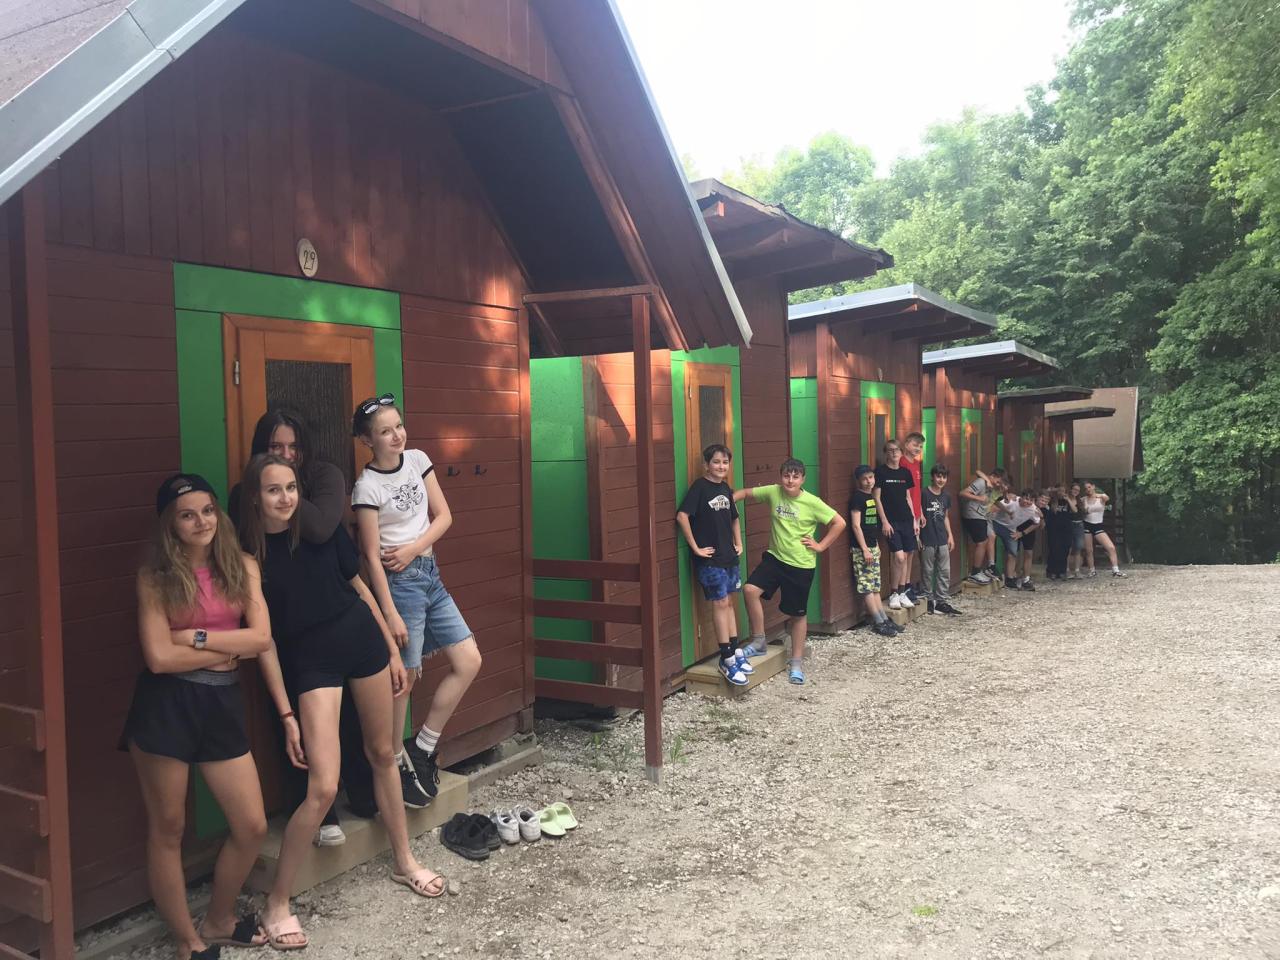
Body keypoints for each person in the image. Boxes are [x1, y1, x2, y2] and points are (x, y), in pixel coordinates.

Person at [241, 454, 445, 949]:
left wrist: (391, 648)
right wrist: (285, 714)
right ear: (255, 498)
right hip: (312, 663)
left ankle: (404, 861)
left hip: (362, 642)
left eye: (291, 487)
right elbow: (264, 644)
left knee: (383, 754)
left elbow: (359, 586)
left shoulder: (322, 531)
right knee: (323, 786)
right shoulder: (250, 557)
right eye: (273, 490)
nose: (286, 498)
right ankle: (277, 903)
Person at [121, 474, 272, 960]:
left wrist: (195, 638)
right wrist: (228, 650)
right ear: (170, 524)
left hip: (221, 704)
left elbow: (261, 639)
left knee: (251, 825)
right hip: (166, 708)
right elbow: (159, 659)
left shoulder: (242, 565)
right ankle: (189, 942)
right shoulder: (154, 577)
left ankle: (219, 919)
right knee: (168, 828)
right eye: (187, 515)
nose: (201, 522)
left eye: (208, 511)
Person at [229, 408, 367, 844]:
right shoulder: (242, 494)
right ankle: (314, 810)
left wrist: (283, 488)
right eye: (276, 447)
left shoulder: (324, 476)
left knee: (349, 713)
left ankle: (363, 794)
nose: (287, 454)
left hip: (331, 613)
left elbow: (324, 528)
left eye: (294, 447)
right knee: (289, 720)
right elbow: (242, 545)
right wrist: (265, 486)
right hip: (278, 618)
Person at [351, 394, 482, 809]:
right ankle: (393, 765)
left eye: (399, 426)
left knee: (469, 660)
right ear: (367, 441)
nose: (396, 436)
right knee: (404, 680)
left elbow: (445, 516)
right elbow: (370, 555)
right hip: (400, 585)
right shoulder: (366, 487)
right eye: (385, 431)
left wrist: (412, 549)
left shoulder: (417, 460)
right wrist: (389, 611)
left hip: (428, 573)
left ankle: (422, 747)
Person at [734, 458, 846, 685]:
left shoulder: (812, 502)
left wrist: (820, 546)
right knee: (750, 590)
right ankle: (759, 641)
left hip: (800, 565)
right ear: (781, 477)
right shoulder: (773, 492)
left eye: (795, 476)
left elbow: (839, 523)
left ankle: (796, 663)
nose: (790, 480)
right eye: (786, 475)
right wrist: (724, 502)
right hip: (775, 558)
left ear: (803, 479)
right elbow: (744, 493)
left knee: (797, 615)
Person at [676, 444, 749, 685]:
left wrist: (739, 542)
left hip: (729, 556)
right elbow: (682, 516)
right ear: (706, 464)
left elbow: (734, 518)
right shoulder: (699, 487)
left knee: (729, 603)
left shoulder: (726, 488)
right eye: (716, 462)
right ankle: (726, 658)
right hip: (709, 559)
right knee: (720, 603)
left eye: (725, 462)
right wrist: (695, 547)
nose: (721, 466)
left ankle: (735, 651)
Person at [848, 464, 903, 638]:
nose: (868, 481)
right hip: (862, 549)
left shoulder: (870, 496)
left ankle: (884, 618)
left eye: (870, 477)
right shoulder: (857, 498)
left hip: (872, 546)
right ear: (859, 481)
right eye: (864, 479)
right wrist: (864, 549)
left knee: (875, 586)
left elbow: (871, 525)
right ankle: (878, 622)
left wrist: (876, 545)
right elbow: (856, 525)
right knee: (867, 587)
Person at [874, 440, 917, 611]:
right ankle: (893, 593)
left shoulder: (905, 472)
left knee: (906, 556)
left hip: (906, 519)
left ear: (901, 452)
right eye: (890, 450)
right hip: (891, 521)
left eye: (897, 450)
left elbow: (908, 497)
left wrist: (914, 519)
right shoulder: (880, 472)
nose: (894, 453)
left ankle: (901, 592)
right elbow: (877, 498)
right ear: (886, 453)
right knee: (898, 557)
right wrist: (884, 521)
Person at [920, 464, 962, 615]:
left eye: (944, 477)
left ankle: (941, 601)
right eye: (938, 476)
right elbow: (918, 516)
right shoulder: (924, 493)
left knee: (944, 570)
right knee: (927, 570)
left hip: (942, 538)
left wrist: (950, 535)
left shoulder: (946, 496)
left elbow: (945, 517)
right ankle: (928, 600)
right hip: (927, 537)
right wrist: (919, 537)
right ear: (932, 476)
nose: (941, 479)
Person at [958, 467, 999, 584]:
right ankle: (975, 573)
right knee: (982, 542)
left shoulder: (990, 485)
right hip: (972, 514)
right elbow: (962, 493)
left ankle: (980, 570)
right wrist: (979, 498)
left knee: (986, 540)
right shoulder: (981, 482)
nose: (998, 484)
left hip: (981, 515)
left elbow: (979, 472)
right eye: (998, 481)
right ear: (993, 476)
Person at [1080, 480, 1127, 578]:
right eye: (1086, 488)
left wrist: (1098, 495)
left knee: (1110, 547)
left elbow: (1107, 498)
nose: (1088, 490)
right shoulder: (1083, 499)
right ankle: (1092, 570)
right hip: (1087, 525)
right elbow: (1082, 510)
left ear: (1093, 486)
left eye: (1089, 487)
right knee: (1089, 550)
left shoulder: (1101, 497)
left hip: (1098, 525)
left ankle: (1115, 570)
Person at [900, 432, 927, 600]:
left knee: (911, 551)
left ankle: (908, 584)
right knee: (905, 552)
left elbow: (916, 491)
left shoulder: (917, 463)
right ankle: (902, 587)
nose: (918, 448)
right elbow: (905, 493)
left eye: (920, 446)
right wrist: (912, 516)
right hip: (906, 513)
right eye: (915, 445)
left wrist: (921, 512)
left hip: (916, 513)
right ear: (906, 444)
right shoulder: (902, 463)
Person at [1010, 489, 1044, 590]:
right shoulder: (1014, 501)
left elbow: (1037, 524)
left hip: (1028, 529)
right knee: (1013, 552)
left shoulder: (1034, 509)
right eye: (1026, 498)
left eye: (1031, 500)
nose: (1028, 502)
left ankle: (1026, 579)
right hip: (1014, 527)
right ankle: (1012, 576)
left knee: (1028, 553)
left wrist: (1023, 533)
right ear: (1022, 497)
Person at [1044, 485, 1074, 580]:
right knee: (1054, 549)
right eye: (1059, 491)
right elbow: (1045, 494)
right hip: (1054, 529)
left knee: (1065, 549)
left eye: (1063, 491)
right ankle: (1052, 571)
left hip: (1066, 528)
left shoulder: (1068, 501)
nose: (1061, 493)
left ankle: (1062, 571)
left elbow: (1075, 510)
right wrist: (1052, 490)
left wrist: (1068, 499)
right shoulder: (1052, 501)